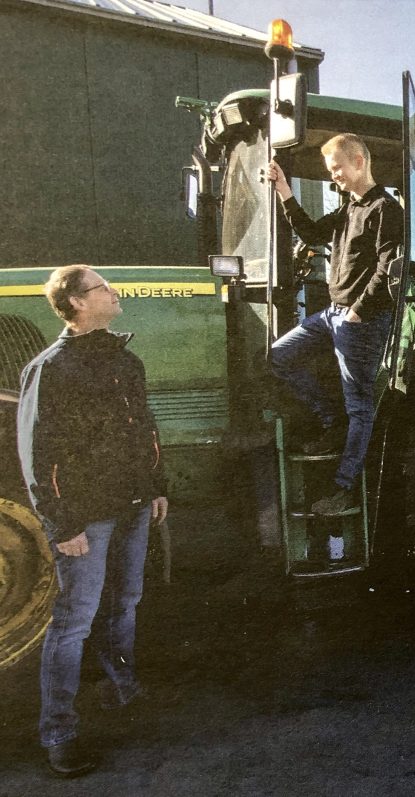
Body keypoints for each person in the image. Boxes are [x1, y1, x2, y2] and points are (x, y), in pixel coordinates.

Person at [17, 265, 168, 777]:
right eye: (104, 287)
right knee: (73, 623)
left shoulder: (125, 360)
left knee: (125, 602)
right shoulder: (52, 368)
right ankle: (58, 732)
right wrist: (62, 526)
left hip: (131, 506)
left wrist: (156, 486)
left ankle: (122, 690)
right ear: (77, 304)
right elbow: (37, 455)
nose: (115, 292)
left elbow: (144, 427)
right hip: (86, 518)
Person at [267, 133, 402, 516]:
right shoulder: (348, 209)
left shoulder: (384, 210)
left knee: (361, 407)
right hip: (332, 314)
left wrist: (359, 310)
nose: (334, 177)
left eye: (337, 168)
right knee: (279, 356)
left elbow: (388, 269)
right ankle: (331, 422)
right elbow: (311, 234)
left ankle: (344, 488)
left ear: (358, 161)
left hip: (361, 320)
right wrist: (283, 190)